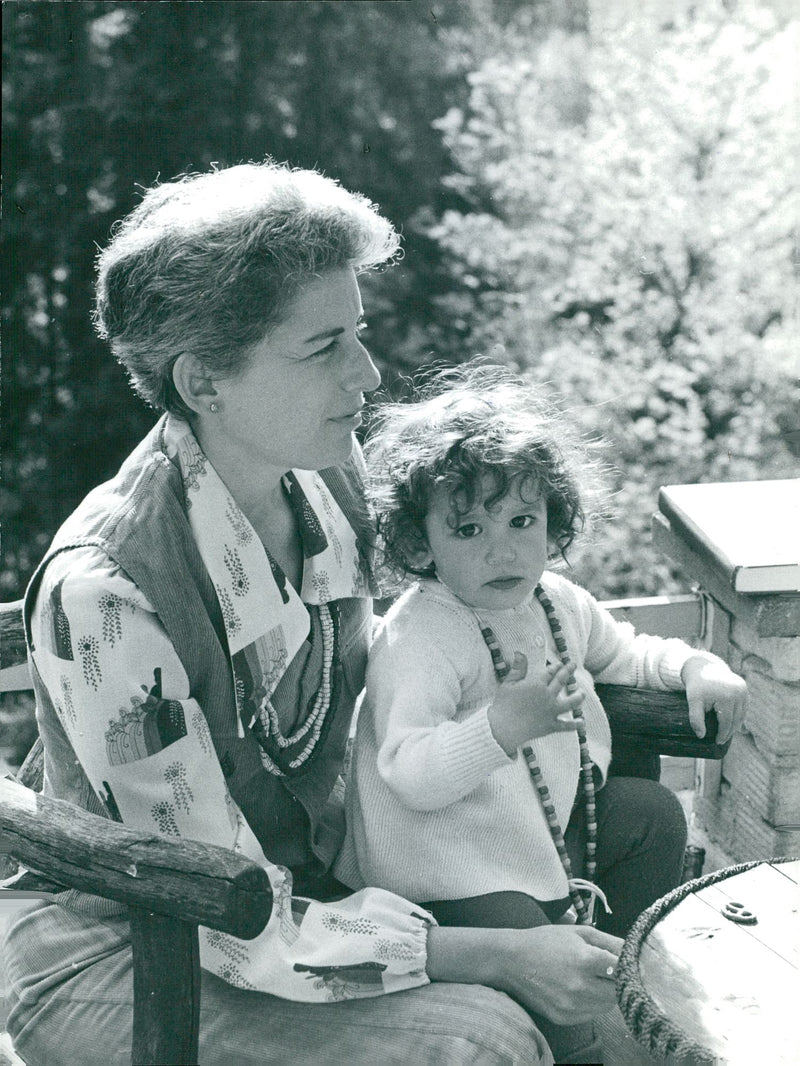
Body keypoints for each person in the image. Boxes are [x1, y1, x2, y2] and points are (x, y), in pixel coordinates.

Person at [3, 161, 631, 1066]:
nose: (368, 376)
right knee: (489, 1042)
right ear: (204, 382)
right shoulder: (109, 593)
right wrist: (496, 955)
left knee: (613, 975)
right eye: (322, 347)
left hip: (326, 894)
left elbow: (440, 628)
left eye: (359, 335)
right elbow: (218, 910)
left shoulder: (327, 479)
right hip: (138, 954)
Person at [337, 364, 747, 941]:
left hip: (539, 832)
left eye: (521, 521)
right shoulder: (421, 637)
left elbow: (625, 653)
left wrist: (695, 666)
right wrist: (501, 726)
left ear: (553, 520)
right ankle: (576, 1006)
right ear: (417, 542)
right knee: (536, 946)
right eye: (469, 530)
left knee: (653, 814)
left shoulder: (555, 600)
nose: (501, 552)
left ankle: (626, 960)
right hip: (449, 867)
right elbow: (408, 775)